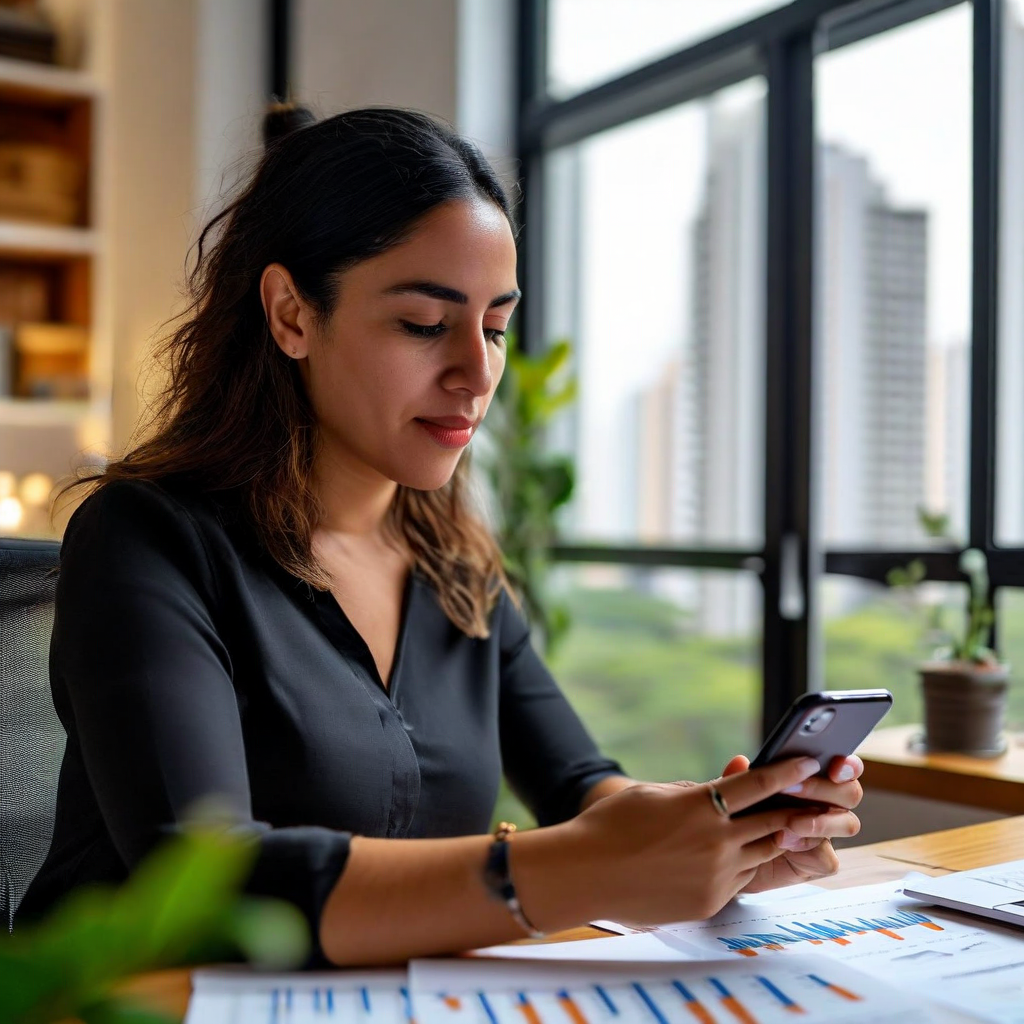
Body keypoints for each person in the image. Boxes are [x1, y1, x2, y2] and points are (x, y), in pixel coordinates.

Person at [18, 106, 864, 966]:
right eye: (426, 324)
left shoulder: (455, 568)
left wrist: (712, 837)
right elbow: (204, 886)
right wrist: (584, 869)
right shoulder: (146, 541)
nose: (477, 373)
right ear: (291, 315)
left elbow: (582, 790)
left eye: (495, 327)